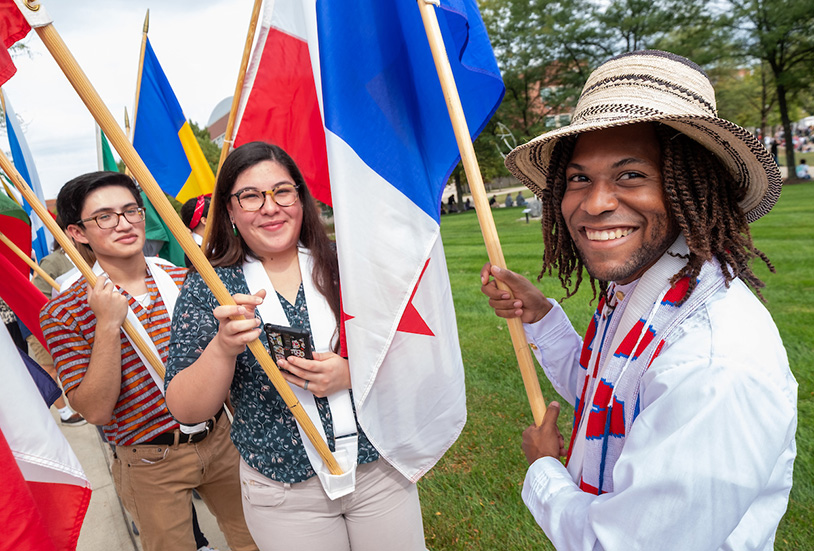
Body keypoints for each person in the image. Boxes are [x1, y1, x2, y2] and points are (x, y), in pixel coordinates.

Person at [481, 50, 796, 550]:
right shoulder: (650, 288)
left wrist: (545, 471)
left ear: (692, 184)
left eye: (630, 175)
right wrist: (540, 314)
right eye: (578, 177)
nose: (595, 202)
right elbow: (608, 391)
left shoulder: (713, 368)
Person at [164, 142, 425, 550]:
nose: (270, 207)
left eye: (283, 191)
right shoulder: (209, 286)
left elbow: (412, 352)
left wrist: (350, 373)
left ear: (301, 198)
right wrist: (222, 348)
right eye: (250, 196)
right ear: (229, 210)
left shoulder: (347, 266)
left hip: (378, 472)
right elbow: (185, 407)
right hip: (284, 490)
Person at [39, 172, 257, 551]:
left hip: (221, 439)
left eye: (131, 211)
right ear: (77, 232)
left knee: (257, 539)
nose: (124, 224)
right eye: (105, 217)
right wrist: (107, 325)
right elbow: (95, 410)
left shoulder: (187, 278)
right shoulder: (64, 310)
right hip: (148, 460)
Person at [27, 242, 85, 426]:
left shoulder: (83, 256)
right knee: (50, 370)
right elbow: (37, 297)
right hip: (41, 325)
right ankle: (63, 412)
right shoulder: (52, 262)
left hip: (71, 325)